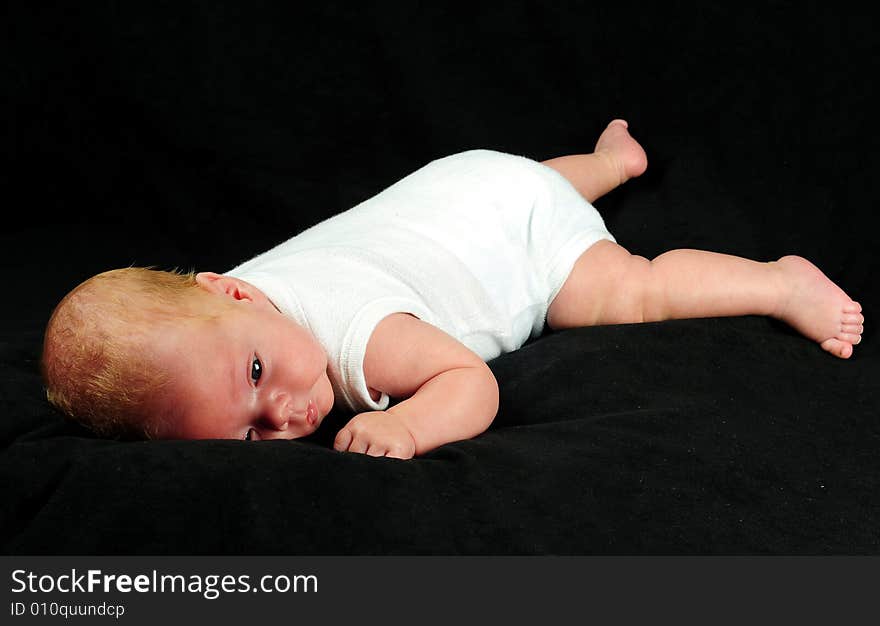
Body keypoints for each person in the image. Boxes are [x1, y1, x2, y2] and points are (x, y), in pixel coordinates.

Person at [40, 120, 864, 459]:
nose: (288, 411)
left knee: (634, 288)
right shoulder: (240, 299)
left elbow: (472, 382)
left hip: (525, 251)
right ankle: (612, 165)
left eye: (257, 379)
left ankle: (776, 282)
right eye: (256, 435)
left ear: (232, 297)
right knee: (537, 184)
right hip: (470, 184)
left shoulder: (361, 343)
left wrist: (408, 427)